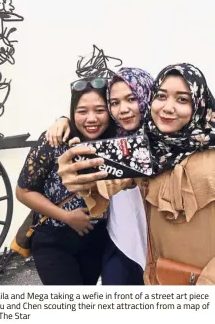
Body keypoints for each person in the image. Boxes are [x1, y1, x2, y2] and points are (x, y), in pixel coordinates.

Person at [58, 63, 215, 285]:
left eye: (182, 99)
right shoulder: (145, 149)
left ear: (199, 103)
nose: (167, 107)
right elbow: (109, 181)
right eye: (161, 96)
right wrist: (80, 180)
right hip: (157, 270)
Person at [45, 68, 154, 285]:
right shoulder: (111, 137)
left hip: (161, 241)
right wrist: (64, 119)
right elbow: (88, 118)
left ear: (146, 95)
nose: (122, 109)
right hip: (120, 240)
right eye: (114, 103)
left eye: (131, 99)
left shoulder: (169, 139)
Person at [15, 78, 112, 285]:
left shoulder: (115, 143)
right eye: (82, 111)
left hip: (96, 240)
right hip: (53, 238)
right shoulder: (54, 140)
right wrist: (67, 217)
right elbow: (23, 191)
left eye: (100, 110)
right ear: (72, 111)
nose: (91, 118)